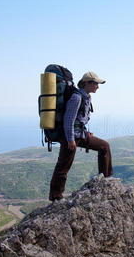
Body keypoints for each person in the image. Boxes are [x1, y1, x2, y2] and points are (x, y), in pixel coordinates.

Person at [49, 71, 114, 201]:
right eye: (96, 83)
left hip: (80, 135)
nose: (98, 87)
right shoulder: (77, 97)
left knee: (104, 146)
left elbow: (79, 119)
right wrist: (70, 140)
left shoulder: (86, 97)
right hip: (71, 136)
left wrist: (85, 132)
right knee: (63, 165)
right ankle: (56, 196)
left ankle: (105, 179)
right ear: (87, 83)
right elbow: (69, 120)